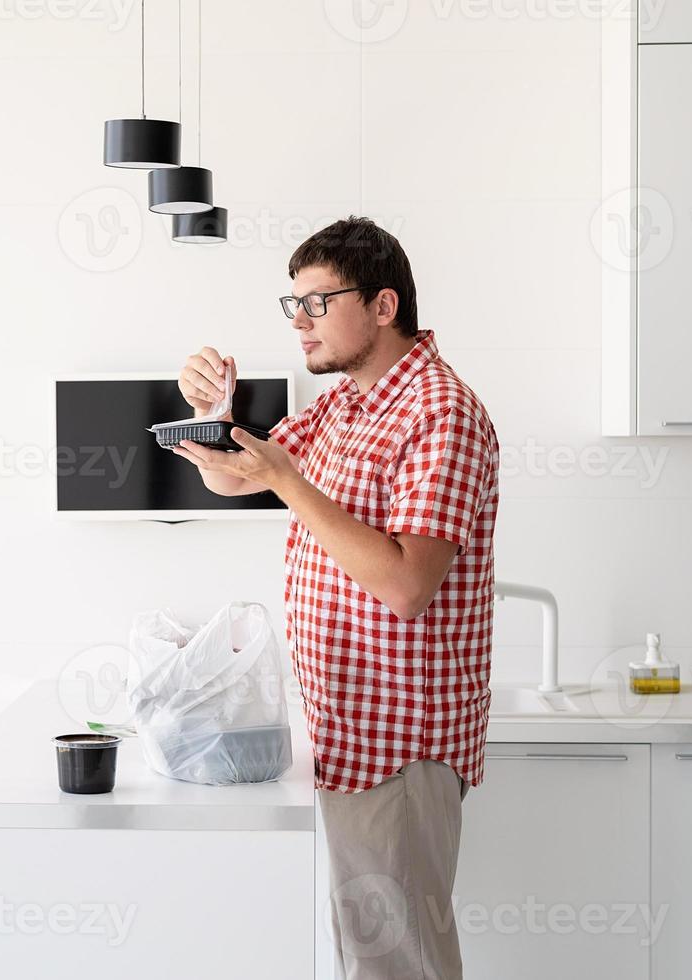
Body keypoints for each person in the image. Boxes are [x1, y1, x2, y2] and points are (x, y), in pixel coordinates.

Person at [173, 216, 499, 980]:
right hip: (351, 731)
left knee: (399, 965)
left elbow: (404, 584)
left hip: (400, 743)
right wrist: (212, 419)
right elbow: (234, 475)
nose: (299, 324)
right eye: (292, 306)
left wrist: (291, 480)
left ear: (383, 307)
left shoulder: (437, 413)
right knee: (371, 954)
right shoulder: (348, 405)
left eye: (317, 304)